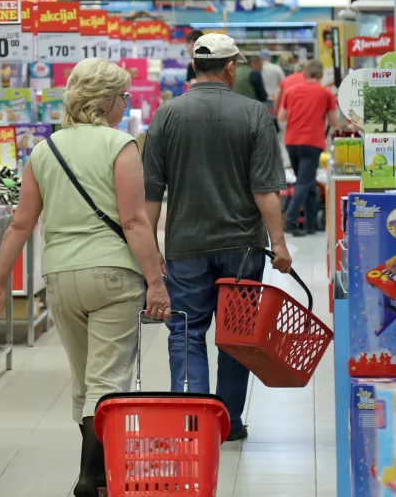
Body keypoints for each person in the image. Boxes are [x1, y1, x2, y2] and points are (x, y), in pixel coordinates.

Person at [0, 59, 169, 497]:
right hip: (113, 276)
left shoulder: (45, 150)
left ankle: (97, 471)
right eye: (123, 97)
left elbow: (20, 224)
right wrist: (156, 282)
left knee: (85, 381)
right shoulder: (121, 145)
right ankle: (91, 479)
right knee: (107, 382)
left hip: (61, 276)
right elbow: (134, 221)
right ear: (106, 102)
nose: (126, 105)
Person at [143, 33, 291, 442]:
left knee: (186, 331)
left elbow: (150, 194)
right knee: (236, 335)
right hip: (243, 247)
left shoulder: (165, 116)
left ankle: (191, 418)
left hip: (186, 246)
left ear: (194, 67)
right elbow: (265, 191)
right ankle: (228, 421)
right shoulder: (254, 114)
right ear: (230, 68)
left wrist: (150, 252)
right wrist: (278, 244)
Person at [278, 59, 342, 236]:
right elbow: (334, 122)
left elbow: (282, 117)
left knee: (308, 184)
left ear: (305, 74)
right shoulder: (326, 94)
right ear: (321, 75)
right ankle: (289, 222)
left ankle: (311, 223)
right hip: (312, 142)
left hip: (291, 142)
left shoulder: (290, 91)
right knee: (304, 183)